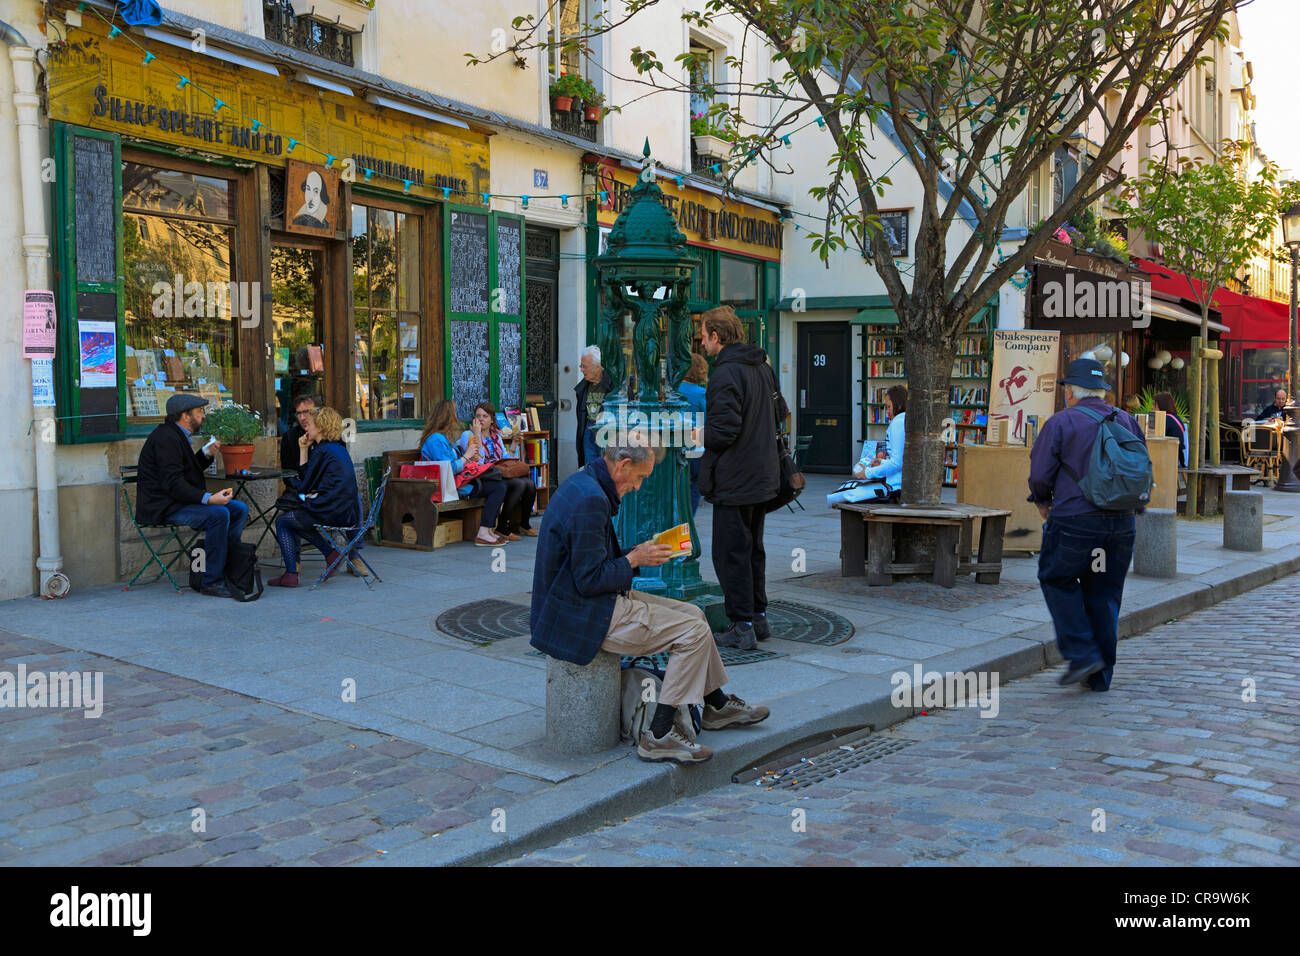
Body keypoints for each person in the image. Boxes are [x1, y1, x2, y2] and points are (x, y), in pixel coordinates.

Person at [530, 438, 771, 765]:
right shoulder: (590, 500)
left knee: (693, 614)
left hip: (580, 605)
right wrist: (633, 559)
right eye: (640, 477)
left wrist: (639, 554)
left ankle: (715, 705)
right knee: (693, 632)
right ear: (623, 465)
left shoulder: (584, 484)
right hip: (582, 616)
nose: (639, 487)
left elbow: (590, 565)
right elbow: (589, 580)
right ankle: (659, 734)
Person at [1028, 358, 1146, 692]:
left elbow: (1039, 474)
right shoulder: (1126, 420)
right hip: (1121, 523)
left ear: (1070, 392)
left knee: (1056, 577)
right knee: (1105, 593)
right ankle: (1100, 675)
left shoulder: (1062, 422)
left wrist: (1042, 502)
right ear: (1101, 390)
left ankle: (1081, 653)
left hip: (1074, 521)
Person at [699, 306, 781, 650]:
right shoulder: (761, 366)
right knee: (753, 550)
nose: (701, 343)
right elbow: (779, 413)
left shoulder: (725, 373)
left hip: (735, 478)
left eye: (703, 336)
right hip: (762, 475)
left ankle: (741, 624)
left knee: (730, 553)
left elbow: (722, 431)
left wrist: (700, 435)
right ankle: (757, 616)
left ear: (717, 337)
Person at [135, 394, 249, 599]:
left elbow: (187, 472)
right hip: (165, 506)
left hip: (179, 501)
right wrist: (208, 498)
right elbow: (173, 484)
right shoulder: (166, 438)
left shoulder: (177, 435)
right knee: (218, 514)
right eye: (199, 412)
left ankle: (228, 565)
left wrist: (207, 453)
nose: (203, 417)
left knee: (239, 509)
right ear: (185, 416)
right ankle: (211, 580)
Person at [268, 406, 360, 588]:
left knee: (283, 521)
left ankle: (292, 574)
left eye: (309, 424)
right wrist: (303, 449)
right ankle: (330, 555)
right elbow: (308, 481)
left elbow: (303, 484)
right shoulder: (333, 448)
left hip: (331, 509)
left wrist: (294, 480)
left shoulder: (322, 451)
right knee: (294, 516)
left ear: (321, 427)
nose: (306, 428)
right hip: (345, 509)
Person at [419, 399, 510, 547]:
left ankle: (487, 530)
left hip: (455, 482)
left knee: (500, 485)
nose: (457, 417)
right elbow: (449, 469)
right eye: (454, 413)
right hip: (445, 486)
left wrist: (466, 455)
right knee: (498, 487)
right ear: (447, 416)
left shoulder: (442, 438)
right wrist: (466, 456)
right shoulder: (436, 439)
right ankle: (484, 532)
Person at [459, 401, 537, 539]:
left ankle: (524, 524)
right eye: (478, 416)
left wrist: (514, 444)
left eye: (485, 416)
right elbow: (478, 462)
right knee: (519, 484)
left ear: (492, 419)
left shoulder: (496, 436)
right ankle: (502, 527)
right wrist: (477, 435)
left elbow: (506, 460)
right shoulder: (468, 435)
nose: (481, 419)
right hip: (481, 476)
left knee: (529, 484)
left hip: (497, 473)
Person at [828, 385, 906, 505]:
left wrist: (867, 473)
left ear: (898, 405)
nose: (888, 411)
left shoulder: (898, 422)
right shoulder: (904, 420)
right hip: (897, 484)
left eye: (889, 406)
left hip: (894, 487)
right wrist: (883, 463)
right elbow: (901, 459)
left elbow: (897, 462)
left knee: (843, 496)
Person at [678, 353, 709, 515]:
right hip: (697, 441)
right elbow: (708, 417)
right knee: (695, 482)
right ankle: (689, 516)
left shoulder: (675, 390)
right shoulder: (701, 393)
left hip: (677, 440)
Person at [575, 345, 614, 468]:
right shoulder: (583, 387)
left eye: (585, 366)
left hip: (607, 430)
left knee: (607, 468)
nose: (582, 370)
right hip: (589, 428)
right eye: (581, 366)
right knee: (590, 467)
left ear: (597, 366)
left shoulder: (612, 385)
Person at [280, 393, 323, 472]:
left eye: (306, 412)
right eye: (299, 413)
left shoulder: (330, 435)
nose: (302, 418)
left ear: (318, 412)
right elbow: (288, 474)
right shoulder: (290, 437)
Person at [1153, 392, 1187, 468]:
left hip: (1170, 457)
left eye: (1154, 404)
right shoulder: (1175, 417)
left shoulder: (1165, 419)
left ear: (1161, 405)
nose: (1152, 407)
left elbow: (1155, 437)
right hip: (1179, 455)